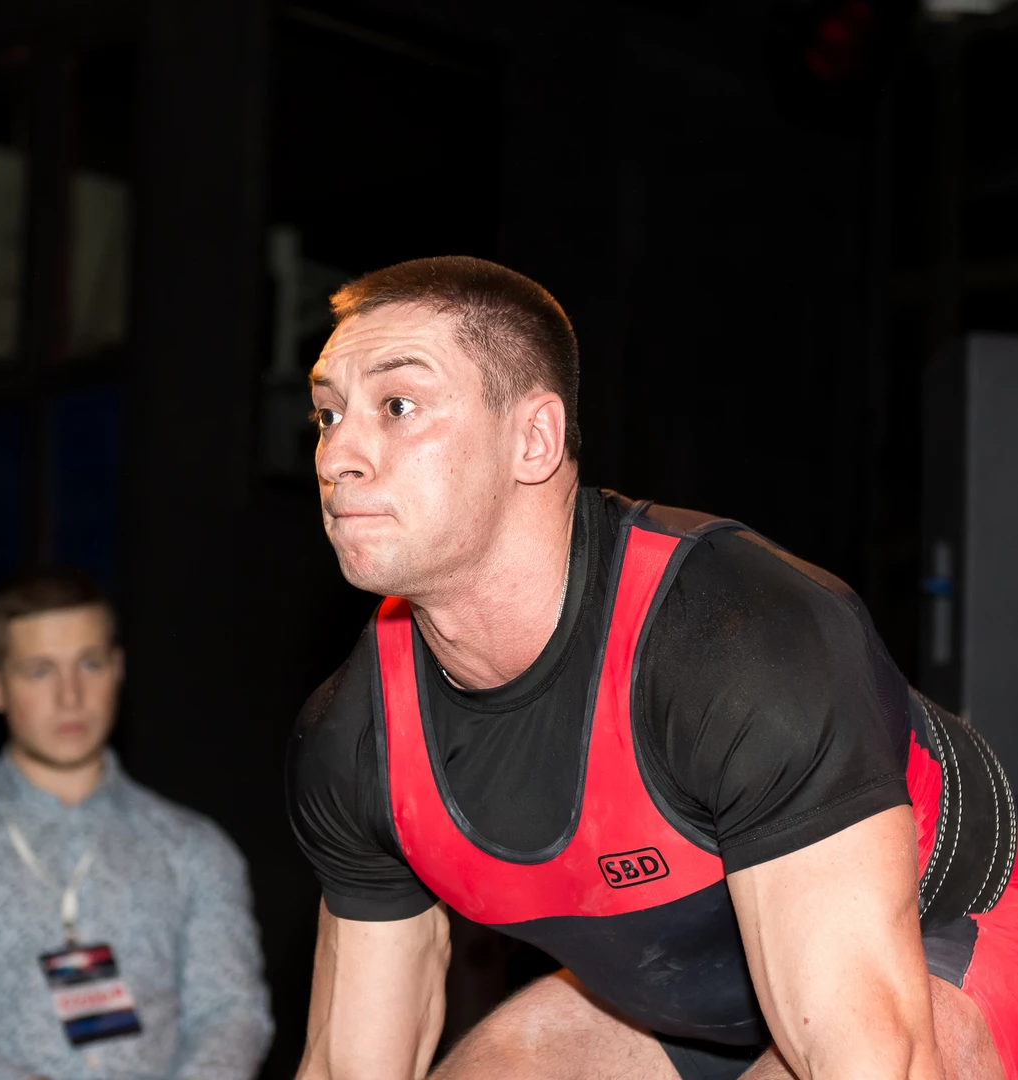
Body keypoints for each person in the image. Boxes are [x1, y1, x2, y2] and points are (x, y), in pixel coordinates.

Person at [285, 256, 1017, 1080]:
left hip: (940, 946)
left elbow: (874, 1060)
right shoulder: (354, 737)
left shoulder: (738, 640)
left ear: (533, 439)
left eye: (397, 406)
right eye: (327, 414)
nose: (337, 454)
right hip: (684, 1001)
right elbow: (348, 1065)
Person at [0, 566, 273, 1080]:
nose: (70, 695)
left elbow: (231, 1012)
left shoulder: (193, 849)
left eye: (90, 664)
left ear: (118, 669)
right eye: (40, 671)